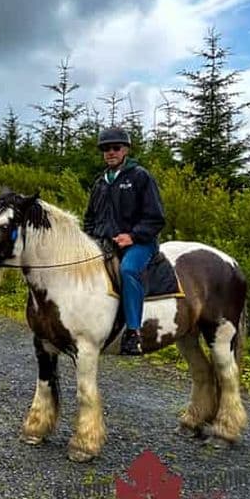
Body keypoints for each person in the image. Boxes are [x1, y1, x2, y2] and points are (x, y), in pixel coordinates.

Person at [83, 127, 166, 355]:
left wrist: (132, 236)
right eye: (106, 149)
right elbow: (89, 218)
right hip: (104, 243)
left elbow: (156, 218)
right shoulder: (100, 183)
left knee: (129, 270)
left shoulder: (140, 176)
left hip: (140, 243)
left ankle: (133, 333)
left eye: (115, 148)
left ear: (125, 150)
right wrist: (90, 239)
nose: (110, 152)